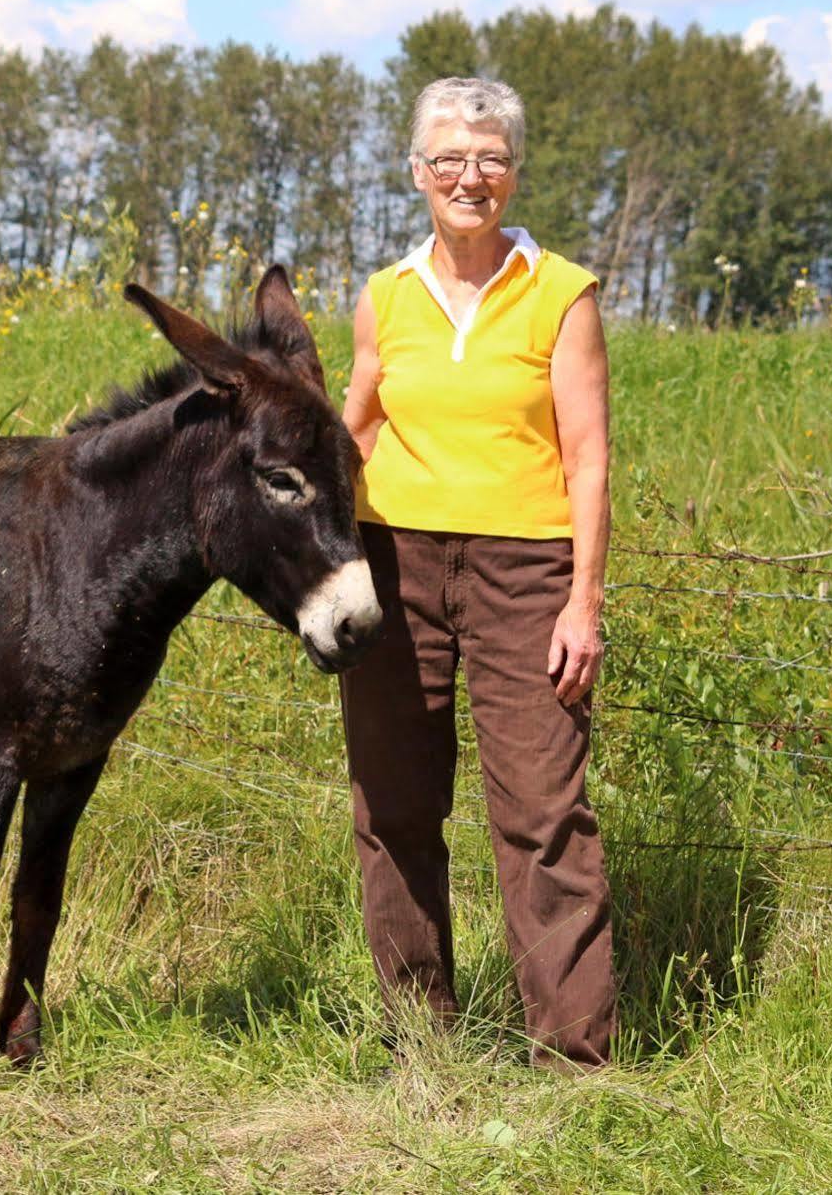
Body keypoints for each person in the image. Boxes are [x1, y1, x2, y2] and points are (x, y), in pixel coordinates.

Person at [339, 77, 615, 1070]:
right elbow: (353, 432)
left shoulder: (563, 294)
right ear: (417, 174)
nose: (469, 175)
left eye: (488, 157)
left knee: (542, 815)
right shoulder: (384, 297)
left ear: (512, 172)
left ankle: (573, 1058)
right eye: (448, 158)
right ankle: (421, 1040)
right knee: (393, 809)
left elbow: (586, 457)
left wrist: (581, 600)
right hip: (392, 565)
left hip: (525, 573)